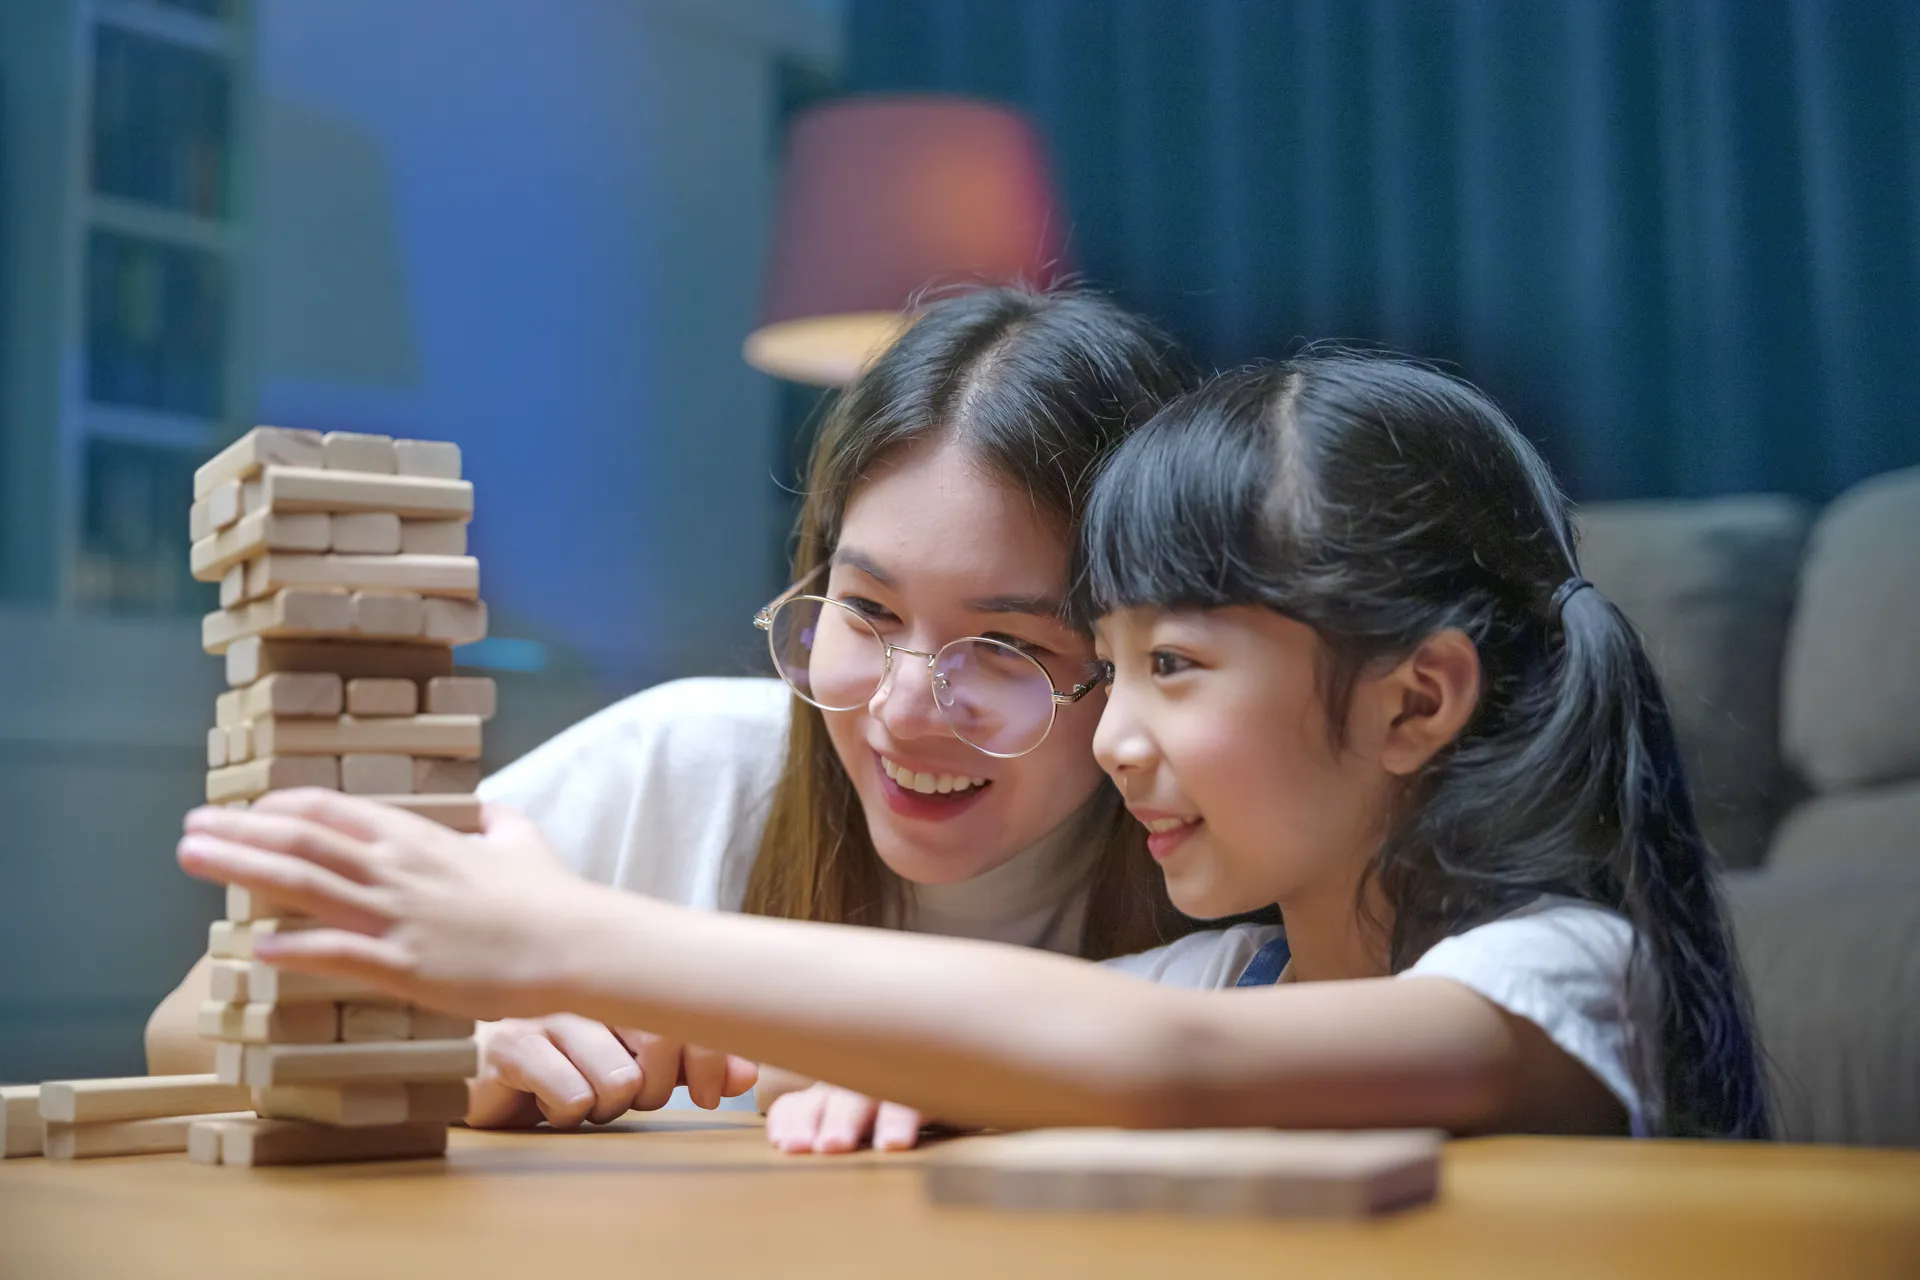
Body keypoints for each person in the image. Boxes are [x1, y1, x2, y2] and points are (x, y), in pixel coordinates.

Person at [173, 352, 1771, 1141]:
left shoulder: (1562, 971)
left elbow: (1145, 1064)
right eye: (865, 614)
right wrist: (888, 1081)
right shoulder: (1230, 965)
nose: (1122, 729)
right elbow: (1036, 1038)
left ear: (1414, 703)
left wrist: (570, 939)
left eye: (1148, 664)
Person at [147, 285, 1203, 1150]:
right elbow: (190, 1019)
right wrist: (438, 1055)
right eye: (867, 610)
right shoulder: (685, 761)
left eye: (1009, 647)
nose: (903, 706)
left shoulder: (1215, 876)